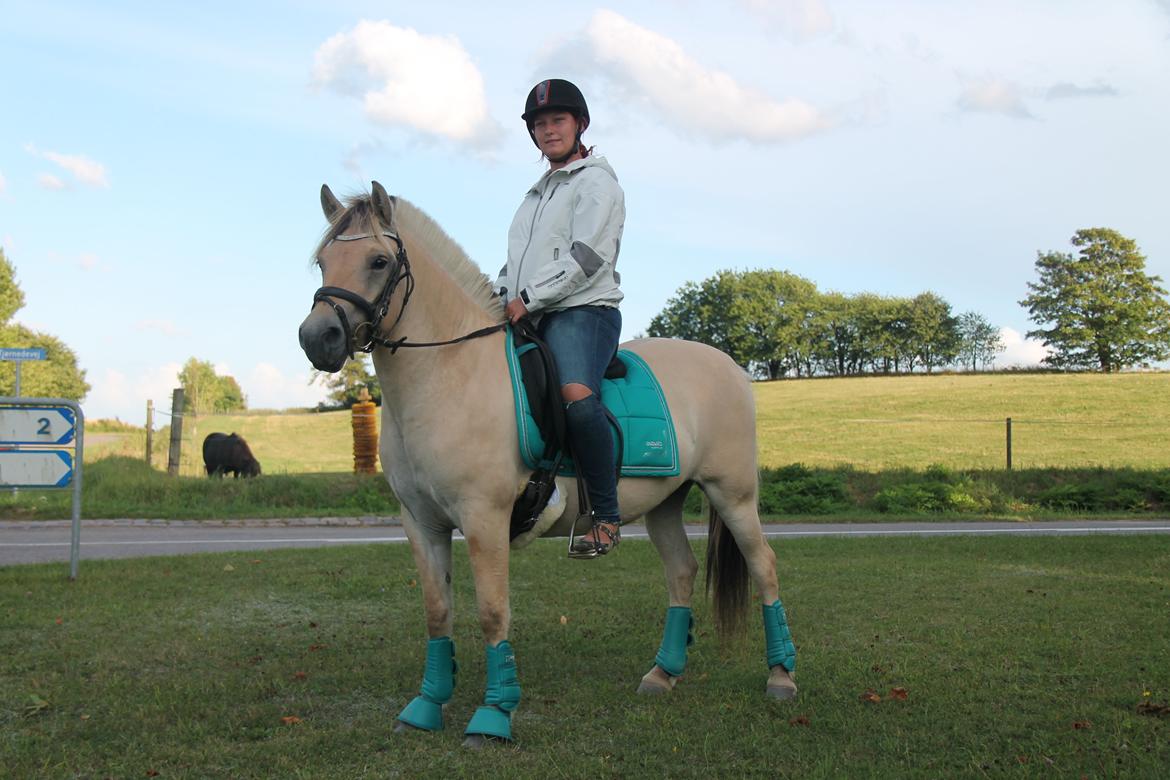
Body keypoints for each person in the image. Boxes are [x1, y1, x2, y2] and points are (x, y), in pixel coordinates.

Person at [495, 78, 625, 559]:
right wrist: (496, 295)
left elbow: (587, 257)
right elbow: (515, 266)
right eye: (540, 124)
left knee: (576, 396)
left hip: (584, 311)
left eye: (558, 121)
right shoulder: (534, 196)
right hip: (534, 310)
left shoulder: (598, 182)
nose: (548, 130)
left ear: (580, 125)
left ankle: (607, 517)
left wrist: (527, 297)